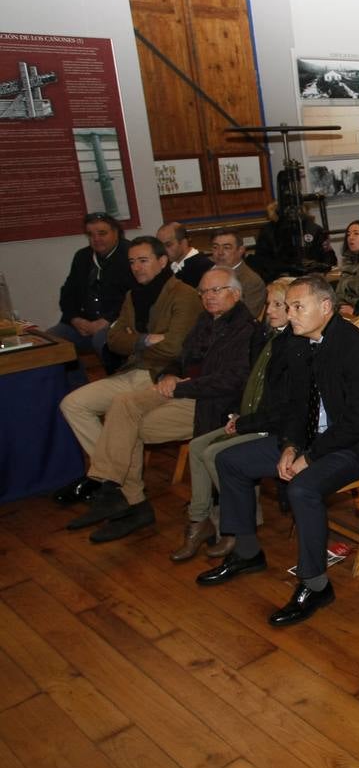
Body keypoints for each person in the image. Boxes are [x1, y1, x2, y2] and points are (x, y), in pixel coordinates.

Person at [196, 276, 359, 627]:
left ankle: (315, 584)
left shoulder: (357, 349)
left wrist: (310, 455)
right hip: (311, 440)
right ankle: (246, 552)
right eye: (287, 307)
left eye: (297, 307)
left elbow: (358, 423)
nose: (290, 315)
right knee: (229, 460)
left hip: (356, 447)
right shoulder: (299, 344)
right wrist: (291, 446)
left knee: (303, 487)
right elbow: (294, 407)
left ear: (325, 307)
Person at [66, 265, 257, 542]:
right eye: (204, 291)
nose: (208, 296)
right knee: (122, 404)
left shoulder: (245, 329)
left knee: (126, 428)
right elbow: (180, 356)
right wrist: (168, 373)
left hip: (209, 402)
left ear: (236, 294)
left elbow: (233, 381)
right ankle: (112, 489)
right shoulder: (206, 321)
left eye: (217, 290)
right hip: (181, 387)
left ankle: (130, 502)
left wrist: (183, 385)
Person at [56, 236, 201, 507]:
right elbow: (113, 339)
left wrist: (133, 339)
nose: (136, 267)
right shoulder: (133, 296)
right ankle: (110, 475)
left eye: (143, 260)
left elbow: (174, 348)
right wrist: (146, 339)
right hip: (133, 370)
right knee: (72, 404)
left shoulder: (184, 295)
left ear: (162, 261)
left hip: (159, 374)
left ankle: (111, 483)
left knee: (119, 415)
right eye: (132, 262)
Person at [176, 277, 297, 563]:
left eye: (278, 304)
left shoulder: (291, 346)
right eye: (268, 304)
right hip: (254, 418)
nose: (269, 311)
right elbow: (251, 387)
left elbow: (281, 409)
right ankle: (199, 520)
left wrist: (244, 423)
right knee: (197, 446)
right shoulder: (266, 338)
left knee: (215, 454)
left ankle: (236, 529)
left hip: (270, 428)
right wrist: (238, 417)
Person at [50, 212, 135, 379]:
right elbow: (67, 293)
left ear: (116, 232)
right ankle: (77, 387)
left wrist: (107, 321)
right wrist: (75, 319)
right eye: (90, 234)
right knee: (54, 340)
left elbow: (134, 296)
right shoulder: (82, 257)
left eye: (102, 233)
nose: (96, 239)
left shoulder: (130, 255)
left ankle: (119, 383)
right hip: (83, 322)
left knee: (102, 341)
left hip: (116, 323)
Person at [209, 229, 266, 317]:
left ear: (240, 250)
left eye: (226, 247)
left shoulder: (252, 282)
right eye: (215, 247)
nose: (220, 252)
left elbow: (246, 318)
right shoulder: (207, 274)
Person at [157, 222, 212, 288]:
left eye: (168, 245)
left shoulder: (204, 267)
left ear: (184, 242)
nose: (163, 250)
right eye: (160, 246)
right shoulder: (164, 268)